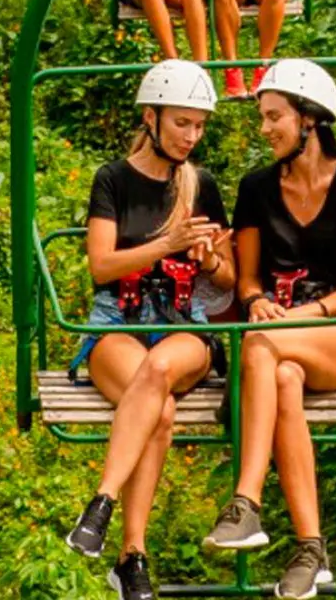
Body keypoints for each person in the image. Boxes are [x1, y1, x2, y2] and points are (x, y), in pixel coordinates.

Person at [202, 60, 336, 600]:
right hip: (276, 336)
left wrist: (293, 318)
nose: (264, 129)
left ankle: (246, 502)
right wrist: (256, 302)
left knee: (264, 346)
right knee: (279, 375)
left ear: (309, 120)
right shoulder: (256, 188)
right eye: (263, 117)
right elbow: (250, 280)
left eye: (273, 117)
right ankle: (311, 547)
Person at [66, 59, 236, 600]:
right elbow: (101, 266)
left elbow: (227, 282)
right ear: (151, 117)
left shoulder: (200, 185)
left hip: (183, 321)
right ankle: (132, 554)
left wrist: (208, 260)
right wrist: (166, 244)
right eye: (183, 123)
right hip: (120, 316)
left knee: (161, 369)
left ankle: (101, 502)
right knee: (158, 407)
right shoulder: (113, 179)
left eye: (200, 125)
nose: (192, 136)